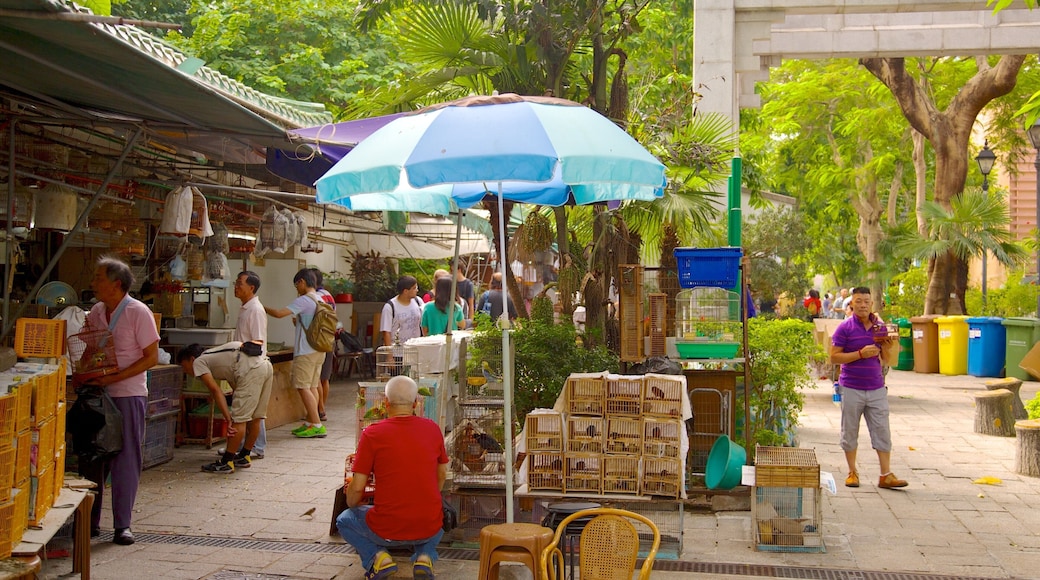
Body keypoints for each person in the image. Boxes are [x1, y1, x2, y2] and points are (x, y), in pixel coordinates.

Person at [81, 256, 161, 545]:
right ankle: (89, 521)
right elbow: (88, 349)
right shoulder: (95, 312)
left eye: (99, 278)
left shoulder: (138, 312)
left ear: (116, 284)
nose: (93, 283)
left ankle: (122, 525)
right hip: (98, 394)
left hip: (128, 394)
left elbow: (151, 357)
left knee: (126, 458)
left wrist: (113, 378)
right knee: (93, 457)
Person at [336, 376, 448, 580]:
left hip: (386, 528)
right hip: (428, 525)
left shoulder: (371, 434)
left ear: (385, 403)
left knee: (344, 520)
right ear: (416, 403)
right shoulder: (433, 429)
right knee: (437, 513)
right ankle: (425, 556)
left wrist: (351, 503)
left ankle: (378, 559)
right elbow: (442, 474)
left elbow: (358, 485)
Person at [830, 286, 908, 490]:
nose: (863, 305)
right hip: (851, 387)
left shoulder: (880, 327)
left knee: (882, 431)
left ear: (871, 304)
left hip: (876, 387)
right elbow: (834, 357)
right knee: (849, 432)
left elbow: (890, 358)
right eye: (858, 301)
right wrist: (860, 354)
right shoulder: (844, 328)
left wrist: (890, 344)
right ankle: (852, 472)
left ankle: (886, 475)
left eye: (866, 301)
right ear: (851, 304)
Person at [177, 341, 273, 473]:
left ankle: (226, 462)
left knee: (239, 419)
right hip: (265, 365)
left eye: (184, 366)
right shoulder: (216, 356)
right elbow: (233, 380)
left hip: (250, 370)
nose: (186, 371)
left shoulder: (199, 362)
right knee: (256, 416)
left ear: (191, 359)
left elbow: (216, 391)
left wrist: (229, 418)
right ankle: (244, 456)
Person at [265, 268, 326, 438]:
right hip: (319, 349)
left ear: (302, 282)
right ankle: (311, 421)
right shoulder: (321, 298)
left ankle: (316, 424)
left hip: (306, 351)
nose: (296, 289)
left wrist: (260, 306)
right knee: (312, 386)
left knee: (302, 386)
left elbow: (278, 314)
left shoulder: (305, 300)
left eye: (296, 285)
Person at [218, 270, 268, 461]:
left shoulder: (255, 310)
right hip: (243, 364)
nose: (236, 287)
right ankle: (240, 444)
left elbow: (257, 342)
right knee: (246, 407)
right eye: (236, 283)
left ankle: (256, 446)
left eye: (240, 284)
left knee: (252, 408)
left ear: (251, 288)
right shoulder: (245, 307)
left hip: (252, 365)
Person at [311, 268, 337, 422]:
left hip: (319, 340)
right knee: (324, 378)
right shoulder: (328, 295)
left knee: (317, 378)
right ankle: (322, 408)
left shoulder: (316, 297)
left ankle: (318, 409)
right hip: (329, 338)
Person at [380, 275, 424, 347]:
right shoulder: (390, 307)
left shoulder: (418, 301)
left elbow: (424, 323)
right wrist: (389, 355)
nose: (417, 290)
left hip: (415, 349)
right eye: (414, 288)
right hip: (397, 351)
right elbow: (386, 332)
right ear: (406, 291)